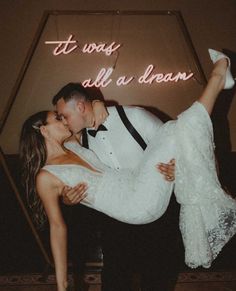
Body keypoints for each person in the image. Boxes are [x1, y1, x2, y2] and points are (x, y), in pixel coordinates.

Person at [19, 49, 236, 291]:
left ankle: (219, 77)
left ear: (81, 107)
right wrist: (61, 285)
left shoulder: (91, 135)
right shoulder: (55, 165)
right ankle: (218, 77)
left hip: (148, 200)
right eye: (58, 119)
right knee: (115, 279)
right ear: (44, 131)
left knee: (176, 131)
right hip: (130, 209)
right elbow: (58, 227)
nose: (64, 121)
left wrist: (180, 168)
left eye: (63, 116)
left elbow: (179, 149)